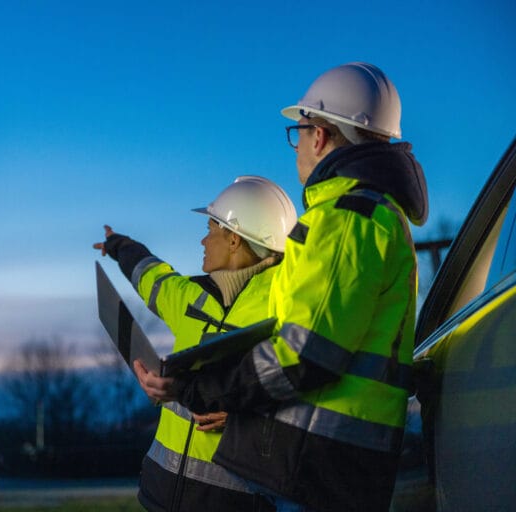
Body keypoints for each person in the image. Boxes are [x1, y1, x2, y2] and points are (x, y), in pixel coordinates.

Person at [133, 62, 429, 512]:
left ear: (320, 136)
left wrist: (202, 390)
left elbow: (305, 352)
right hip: (323, 464)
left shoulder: (347, 218)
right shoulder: (370, 216)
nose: (298, 148)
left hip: (317, 469)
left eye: (299, 132)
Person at [94, 176, 297, 512]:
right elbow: (150, 275)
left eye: (210, 229)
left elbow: (310, 400)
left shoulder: (288, 308)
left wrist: (246, 421)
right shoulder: (191, 296)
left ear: (234, 239)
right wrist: (119, 245)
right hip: (160, 492)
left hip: (234, 502)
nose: (203, 240)